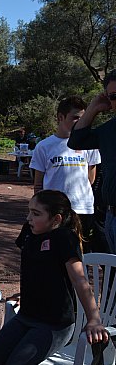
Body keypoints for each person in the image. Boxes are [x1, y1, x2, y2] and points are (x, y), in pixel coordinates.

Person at [0, 190, 109, 365]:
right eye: (29, 211)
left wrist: (94, 319)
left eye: (36, 214)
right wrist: (27, 292)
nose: (29, 218)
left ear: (56, 219)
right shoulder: (29, 231)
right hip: (27, 316)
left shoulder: (65, 239)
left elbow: (80, 281)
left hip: (55, 324)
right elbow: (34, 267)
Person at [29, 96, 101, 249]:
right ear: (61, 117)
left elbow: (91, 178)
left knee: (81, 254)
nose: (80, 122)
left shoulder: (90, 144)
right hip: (55, 212)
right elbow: (38, 184)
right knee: (55, 255)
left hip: (83, 208)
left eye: (82, 118)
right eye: (75, 117)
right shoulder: (44, 146)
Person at [68, 70, 116, 253]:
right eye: (114, 96)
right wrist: (93, 108)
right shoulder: (109, 130)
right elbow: (76, 141)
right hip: (111, 216)